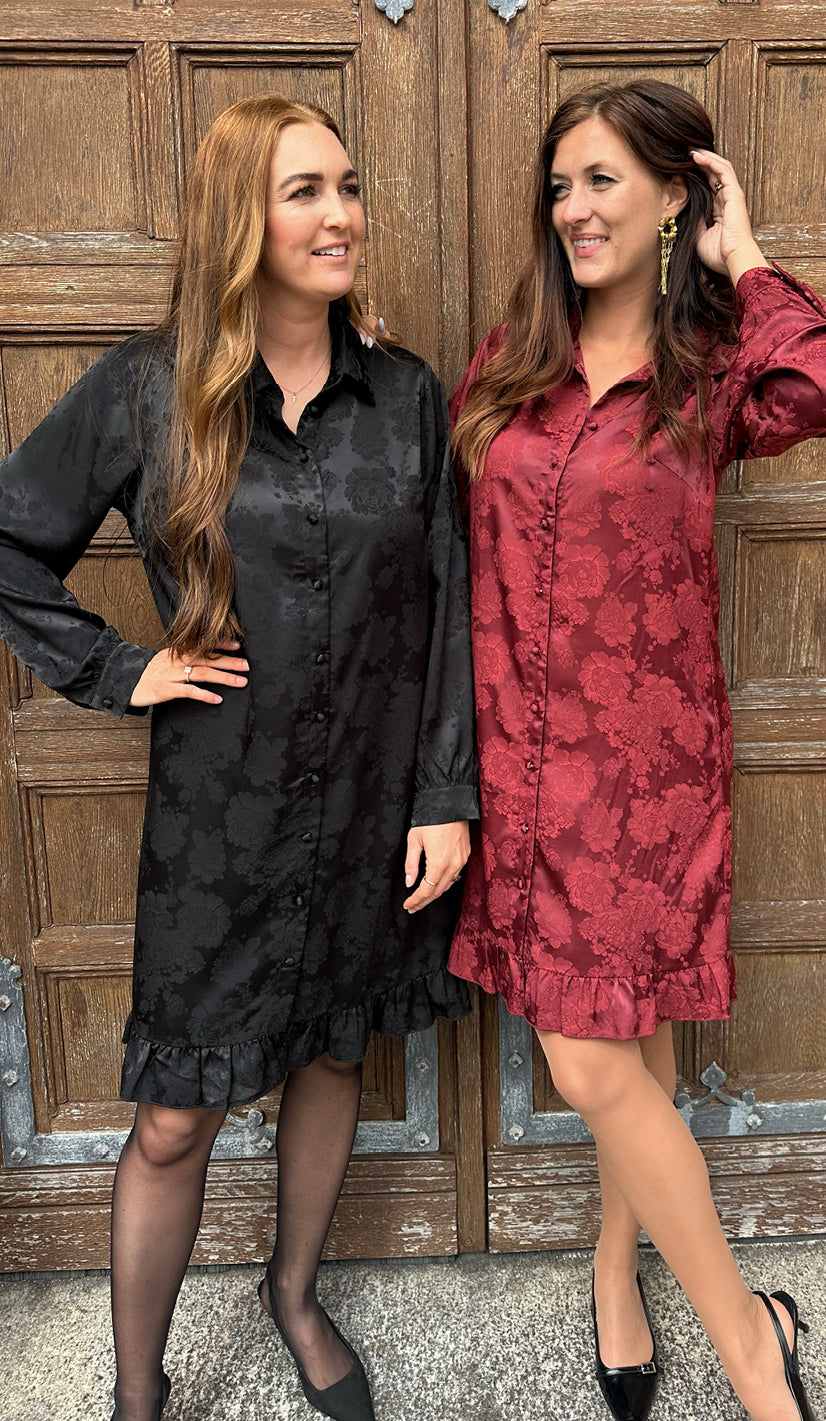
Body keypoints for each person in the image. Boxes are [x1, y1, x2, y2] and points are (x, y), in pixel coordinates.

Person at [0, 95, 477, 1421]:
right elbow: (11, 539)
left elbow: (451, 601)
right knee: (172, 1117)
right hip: (223, 817)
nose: (341, 216)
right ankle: (137, 1395)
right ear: (238, 222)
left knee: (332, 1055)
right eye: (303, 191)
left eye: (349, 186)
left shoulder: (406, 397)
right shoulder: (147, 392)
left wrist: (445, 793)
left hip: (372, 803)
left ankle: (294, 1293)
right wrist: (121, 669)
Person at [448, 79, 826, 1421]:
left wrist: (744, 254)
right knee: (604, 1055)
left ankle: (740, 1343)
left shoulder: (716, 374)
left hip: (646, 779)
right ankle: (650, 1291)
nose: (573, 209)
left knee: (614, 1048)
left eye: (603, 181)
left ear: (674, 194)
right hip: (521, 772)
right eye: (559, 186)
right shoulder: (509, 362)